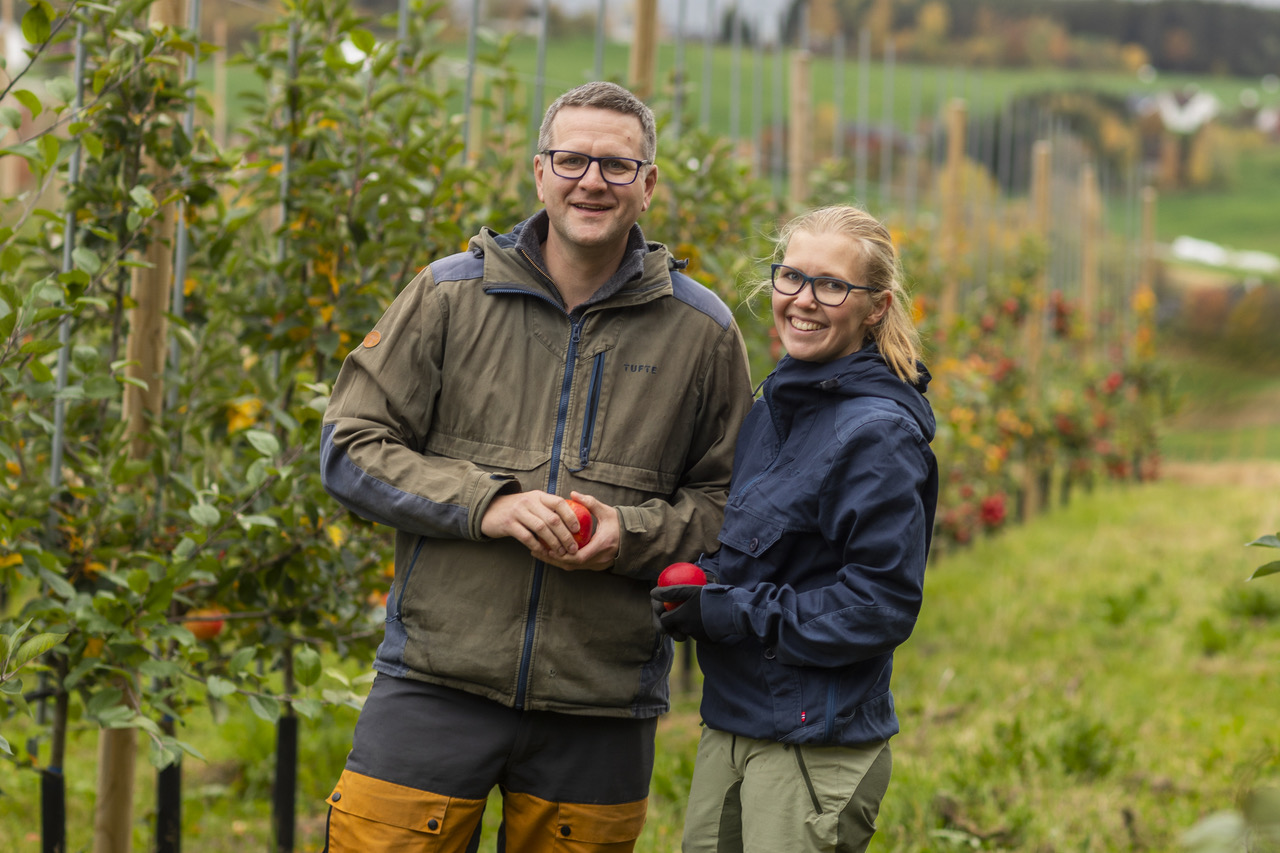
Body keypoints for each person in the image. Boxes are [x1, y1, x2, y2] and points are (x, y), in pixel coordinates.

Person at [318, 81, 754, 851]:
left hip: (601, 697)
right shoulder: (450, 296)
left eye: (618, 166)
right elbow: (352, 446)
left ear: (648, 186)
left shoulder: (703, 332)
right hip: (435, 677)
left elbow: (730, 504)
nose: (592, 180)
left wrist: (631, 533)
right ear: (539, 171)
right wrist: (488, 505)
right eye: (573, 159)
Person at [652, 205, 938, 853]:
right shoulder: (778, 402)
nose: (803, 300)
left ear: (875, 306)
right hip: (737, 721)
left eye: (831, 284)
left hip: (813, 740)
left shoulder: (876, 434)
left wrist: (728, 611)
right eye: (791, 276)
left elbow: (879, 606)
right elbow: (768, 551)